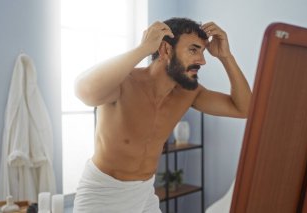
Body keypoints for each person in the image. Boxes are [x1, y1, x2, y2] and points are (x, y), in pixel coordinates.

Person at [73, 17, 251, 213]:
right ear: (165, 49)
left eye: (202, 51)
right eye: (193, 50)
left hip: (144, 193)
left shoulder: (188, 94)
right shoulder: (125, 83)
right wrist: (143, 49)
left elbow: (244, 109)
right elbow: (85, 91)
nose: (202, 60)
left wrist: (226, 56)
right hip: (103, 195)